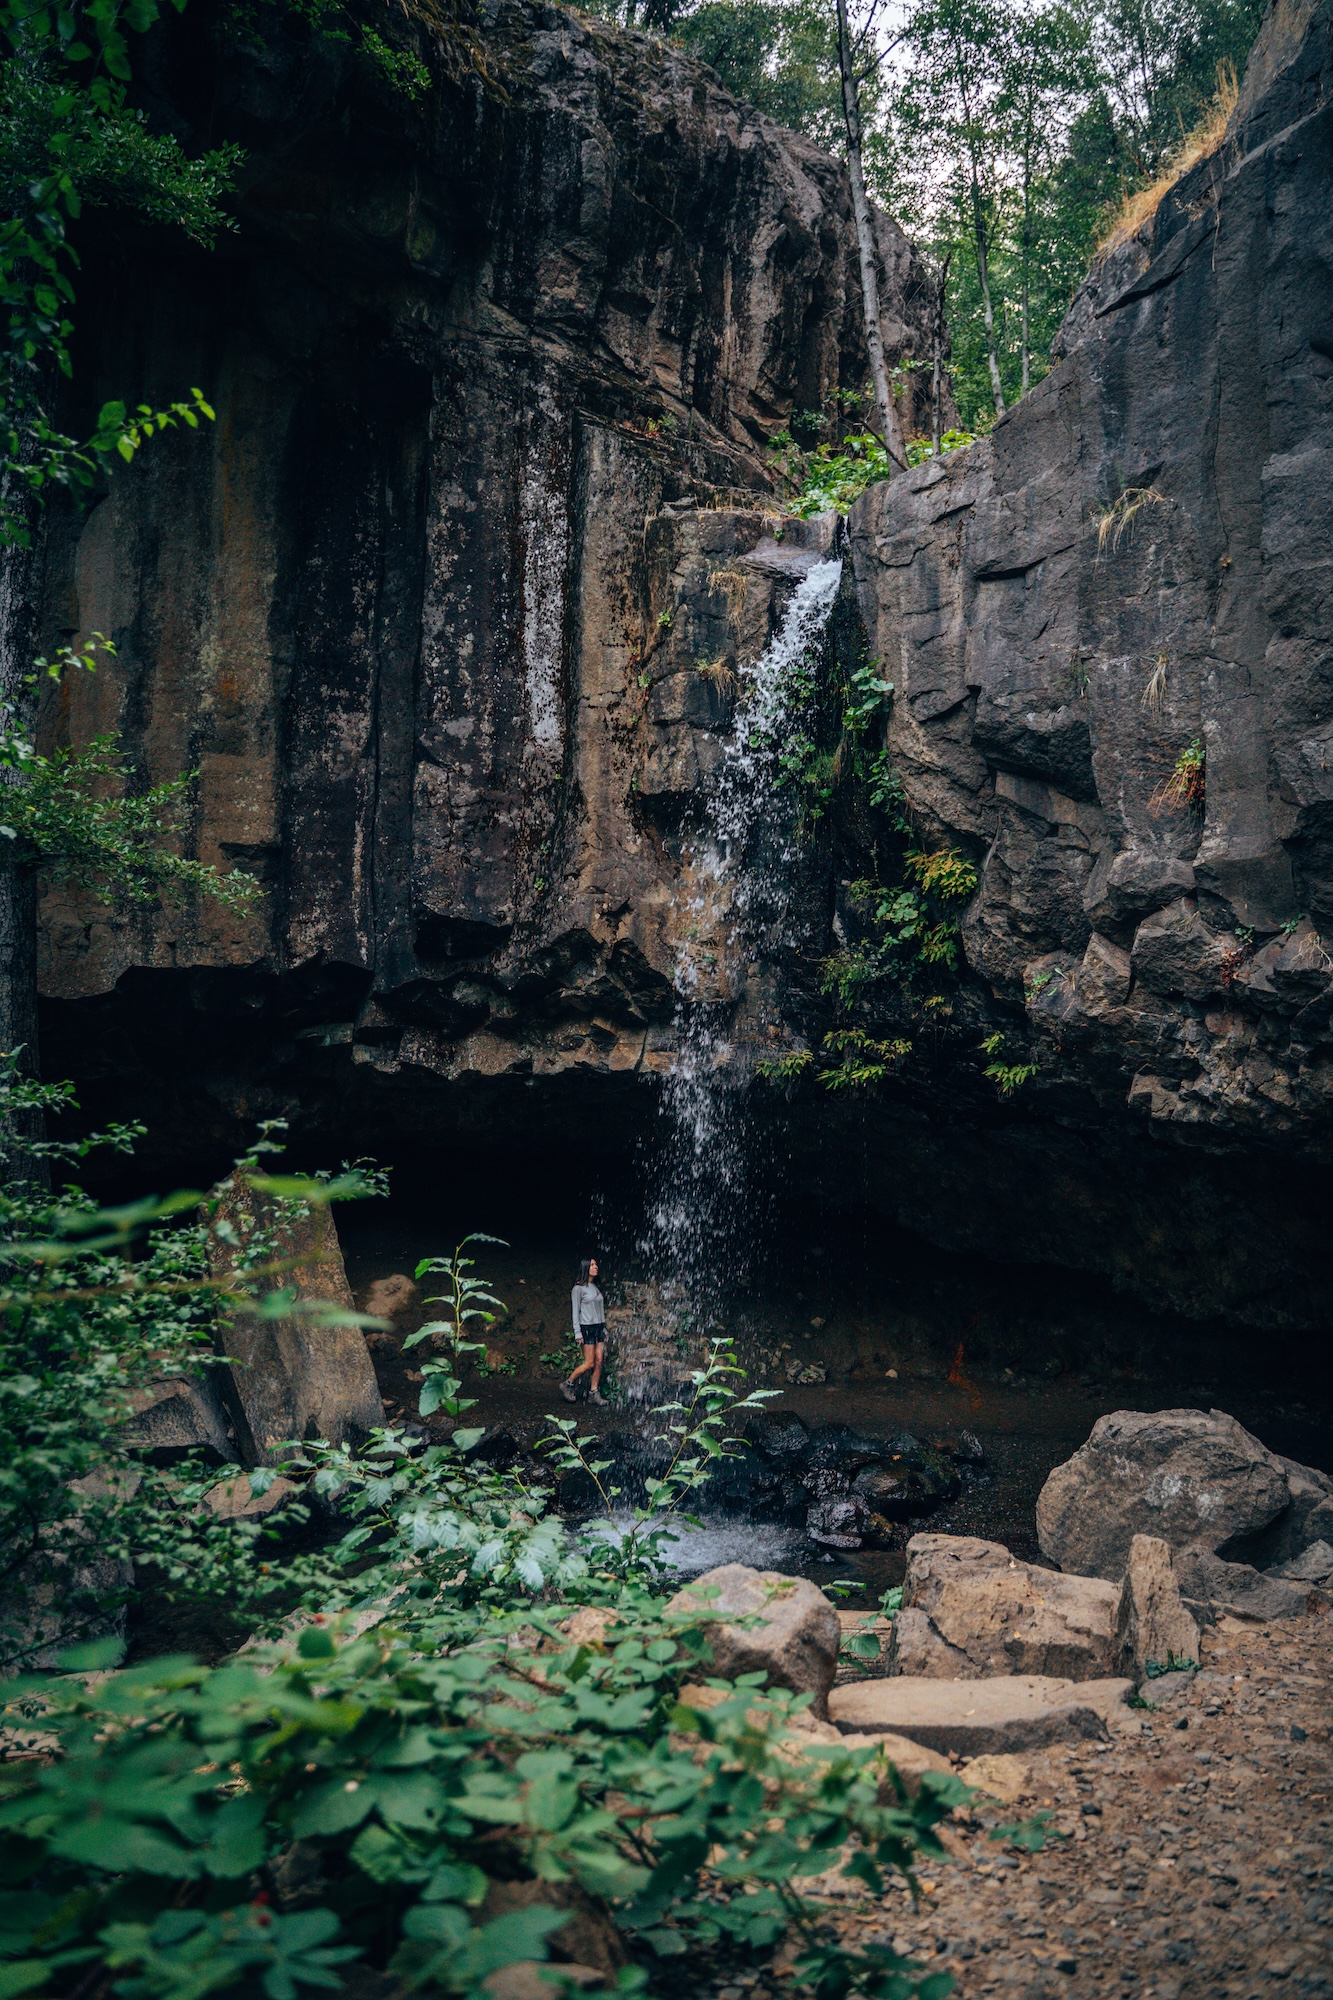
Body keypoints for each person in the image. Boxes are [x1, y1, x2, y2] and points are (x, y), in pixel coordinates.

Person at [562, 1257, 607, 1404]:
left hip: (599, 1327)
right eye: (592, 1265)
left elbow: (600, 1310)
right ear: (585, 1268)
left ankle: (594, 1393)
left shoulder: (596, 1287)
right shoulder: (578, 1289)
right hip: (586, 1327)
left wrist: (604, 1329)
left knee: (599, 1361)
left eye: (596, 1264)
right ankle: (567, 1384)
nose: (596, 1267)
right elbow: (576, 1311)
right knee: (589, 1363)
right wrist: (577, 1332)